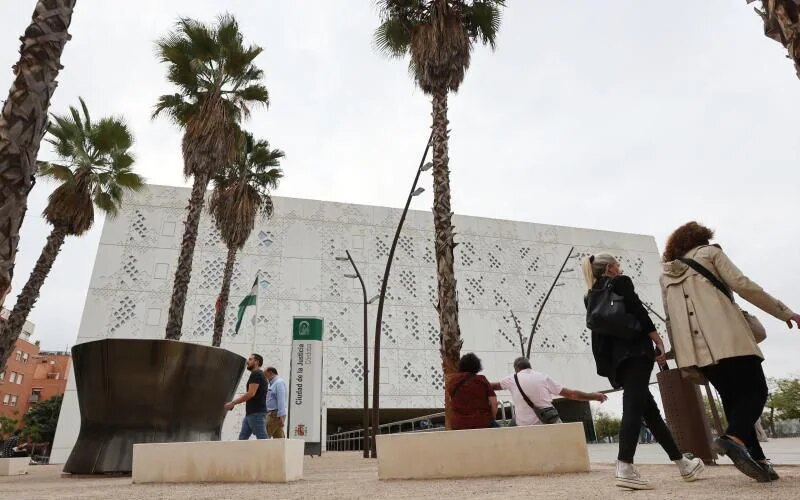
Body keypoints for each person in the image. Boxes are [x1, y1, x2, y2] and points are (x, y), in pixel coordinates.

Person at [660, 222, 800, 483]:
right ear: (700, 238)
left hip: (697, 351)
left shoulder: (666, 274)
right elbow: (743, 285)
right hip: (729, 339)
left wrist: (679, 354)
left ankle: (758, 461)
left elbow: (670, 319)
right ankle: (731, 437)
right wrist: (785, 312)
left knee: (734, 400)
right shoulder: (710, 253)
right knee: (757, 391)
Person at [583, 254, 704, 490]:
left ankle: (683, 464)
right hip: (637, 352)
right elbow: (638, 310)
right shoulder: (621, 282)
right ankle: (625, 465)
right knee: (633, 407)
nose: (621, 267)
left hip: (618, 361)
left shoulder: (590, 296)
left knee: (651, 413)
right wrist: (657, 340)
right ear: (610, 268)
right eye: (618, 264)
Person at [492, 357, 608, 426]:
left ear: (516, 369)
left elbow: (493, 386)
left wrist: (475, 381)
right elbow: (572, 394)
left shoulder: (511, 379)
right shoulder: (543, 377)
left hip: (523, 425)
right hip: (548, 422)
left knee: (511, 422)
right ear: (530, 366)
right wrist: (594, 396)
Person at [449, 353, 498, 430]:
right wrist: (492, 418)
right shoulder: (481, 380)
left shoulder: (453, 381)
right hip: (482, 422)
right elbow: (494, 403)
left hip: (458, 424)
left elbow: (451, 400)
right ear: (477, 365)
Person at [224, 353, 269, 440]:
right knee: (242, 439)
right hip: (251, 414)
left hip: (256, 414)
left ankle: (272, 454)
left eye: (250, 359)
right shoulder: (258, 374)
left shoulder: (256, 374)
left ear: (256, 362)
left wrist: (233, 403)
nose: (247, 362)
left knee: (263, 440)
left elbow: (251, 393)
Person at [265, 366, 288, 439]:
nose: (264, 375)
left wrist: (281, 416)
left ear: (270, 373)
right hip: (272, 414)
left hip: (274, 414)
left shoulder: (279, 383)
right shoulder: (271, 383)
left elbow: (281, 399)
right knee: (279, 438)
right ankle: (283, 450)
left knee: (264, 436)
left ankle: (262, 450)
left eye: (265, 373)